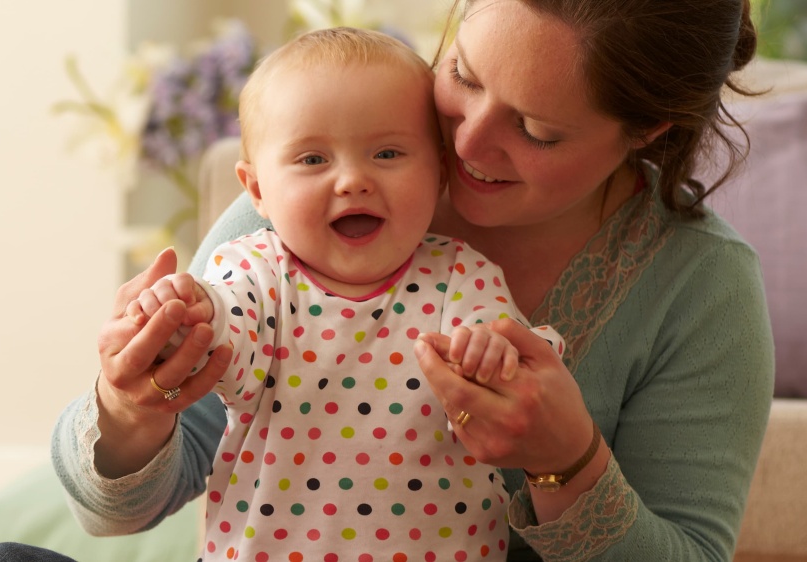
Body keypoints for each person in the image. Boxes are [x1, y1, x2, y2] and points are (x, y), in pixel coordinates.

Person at [11, 0, 776, 560]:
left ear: (647, 132)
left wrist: (567, 461)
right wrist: (131, 409)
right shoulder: (314, 191)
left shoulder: (700, 287)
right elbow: (121, 506)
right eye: (463, 77)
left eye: (536, 131)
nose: (467, 142)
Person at [117, 27, 564, 562]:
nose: (352, 181)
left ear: (440, 172)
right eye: (312, 160)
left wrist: (495, 357)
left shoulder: (460, 275)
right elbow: (224, 324)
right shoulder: (254, 270)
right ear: (256, 189)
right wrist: (183, 313)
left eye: (388, 153)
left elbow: (514, 356)